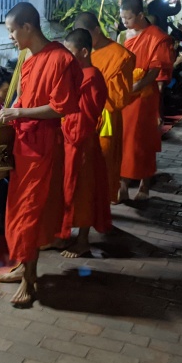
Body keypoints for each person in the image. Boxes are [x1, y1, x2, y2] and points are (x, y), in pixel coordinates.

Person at [0, 2, 82, 307]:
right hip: (23, 143)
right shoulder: (28, 58)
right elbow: (24, 95)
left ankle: (30, 281)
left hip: (44, 145)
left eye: (11, 30)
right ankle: (21, 265)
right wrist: (10, 112)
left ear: (27, 28)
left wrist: (19, 111)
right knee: (17, 210)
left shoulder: (61, 59)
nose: (10, 37)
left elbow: (62, 107)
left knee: (30, 213)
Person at [53, 28, 111, 257]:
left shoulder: (92, 76)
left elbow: (85, 115)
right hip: (68, 140)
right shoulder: (76, 74)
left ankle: (83, 241)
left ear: (84, 51)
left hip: (82, 141)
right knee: (66, 191)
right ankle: (63, 235)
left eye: (70, 51)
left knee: (83, 191)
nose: (67, 57)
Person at [118, 0, 174, 202]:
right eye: (122, 18)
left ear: (140, 15)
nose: (125, 22)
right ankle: (122, 186)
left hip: (144, 97)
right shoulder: (124, 35)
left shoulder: (157, 37)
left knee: (142, 142)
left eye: (128, 18)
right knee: (122, 141)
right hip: (124, 95)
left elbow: (155, 70)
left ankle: (144, 185)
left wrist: (137, 87)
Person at [74, 11, 135, 203]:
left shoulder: (120, 55)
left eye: (88, 35)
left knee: (104, 160)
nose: (85, 41)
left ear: (97, 30)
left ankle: (102, 203)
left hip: (105, 118)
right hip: (79, 118)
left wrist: (93, 98)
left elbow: (119, 98)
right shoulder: (81, 50)